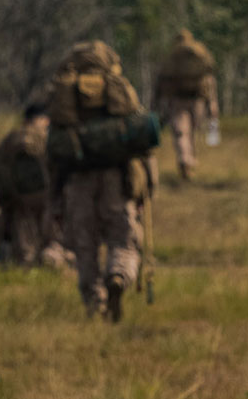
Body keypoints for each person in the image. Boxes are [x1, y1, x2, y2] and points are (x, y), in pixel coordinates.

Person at [46, 40, 154, 321]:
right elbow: (141, 142)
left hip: (77, 181)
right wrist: (146, 188)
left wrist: (55, 199)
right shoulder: (119, 90)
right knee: (124, 240)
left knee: (85, 248)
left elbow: (54, 153)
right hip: (118, 179)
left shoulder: (64, 96)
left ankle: (95, 302)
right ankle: (119, 275)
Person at [0, 103, 67, 267]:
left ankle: (26, 267)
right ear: (43, 119)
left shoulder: (11, 137)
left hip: (19, 200)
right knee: (52, 237)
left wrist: (5, 195)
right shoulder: (47, 138)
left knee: (25, 244)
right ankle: (51, 260)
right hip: (47, 196)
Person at [154, 29, 219, 180]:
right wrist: (212, 103)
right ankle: (190, 160)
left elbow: (160, 81)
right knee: (192, 133)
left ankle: (185, 160)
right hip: (198, 101)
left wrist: (156, 104)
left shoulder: (172, 57)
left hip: (177, 101)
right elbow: (209, 80)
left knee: (181, 132)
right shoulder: (200, 55)